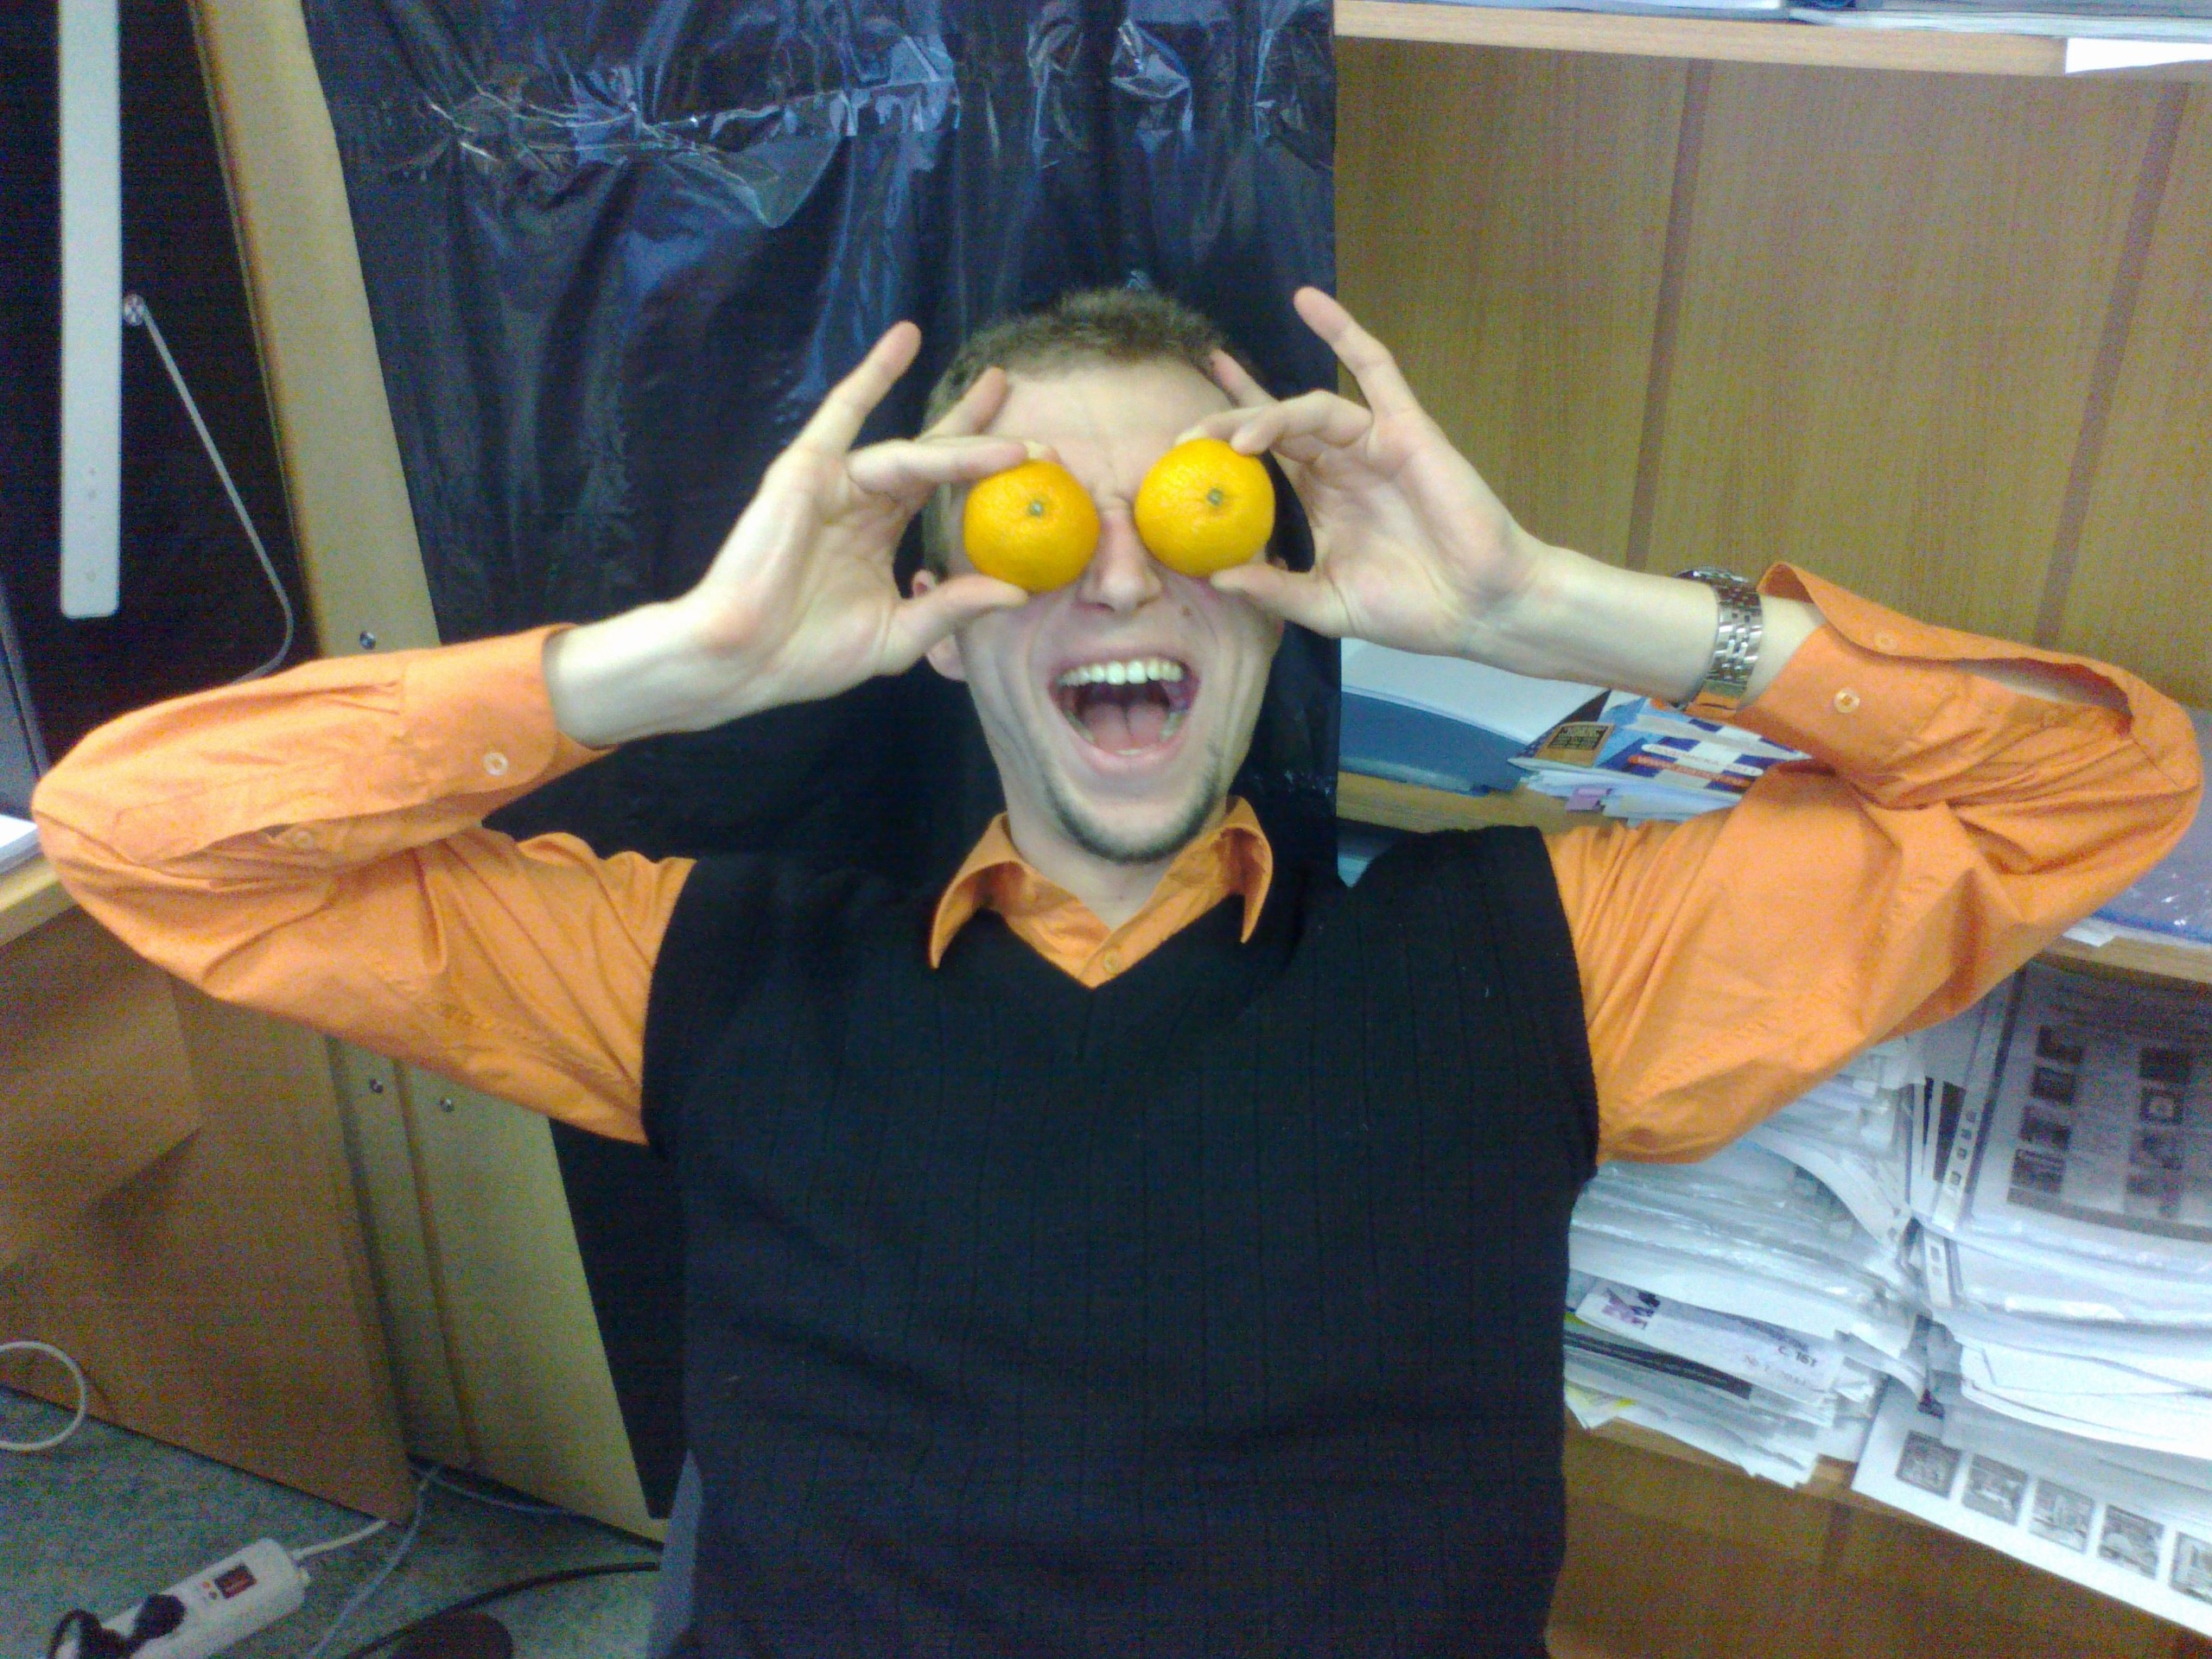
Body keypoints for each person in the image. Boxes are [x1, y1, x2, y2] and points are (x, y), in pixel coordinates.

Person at [35, 286, 2199, 1656]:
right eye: (1035, 528)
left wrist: (1551, 605)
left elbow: (2096, 795)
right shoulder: (694, 964)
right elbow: (141, 840)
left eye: (1190, 514)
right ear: (942, 615)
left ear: (1270, 587)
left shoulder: (1539, 962)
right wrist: (665, 667)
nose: (1120, 579)